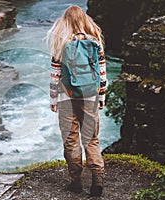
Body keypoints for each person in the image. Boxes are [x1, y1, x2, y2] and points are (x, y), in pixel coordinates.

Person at [46, 5, 107, 197]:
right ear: (84, 19)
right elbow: (102, 74)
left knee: (71, 140)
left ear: (66, 21)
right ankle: (97, 179)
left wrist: (54, 99)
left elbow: (55, 75)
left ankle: (76, 182)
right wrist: (101, 96)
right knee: (91, 139)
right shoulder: (95, 40)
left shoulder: (60, 42)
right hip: (90, 95)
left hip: (66, 97)